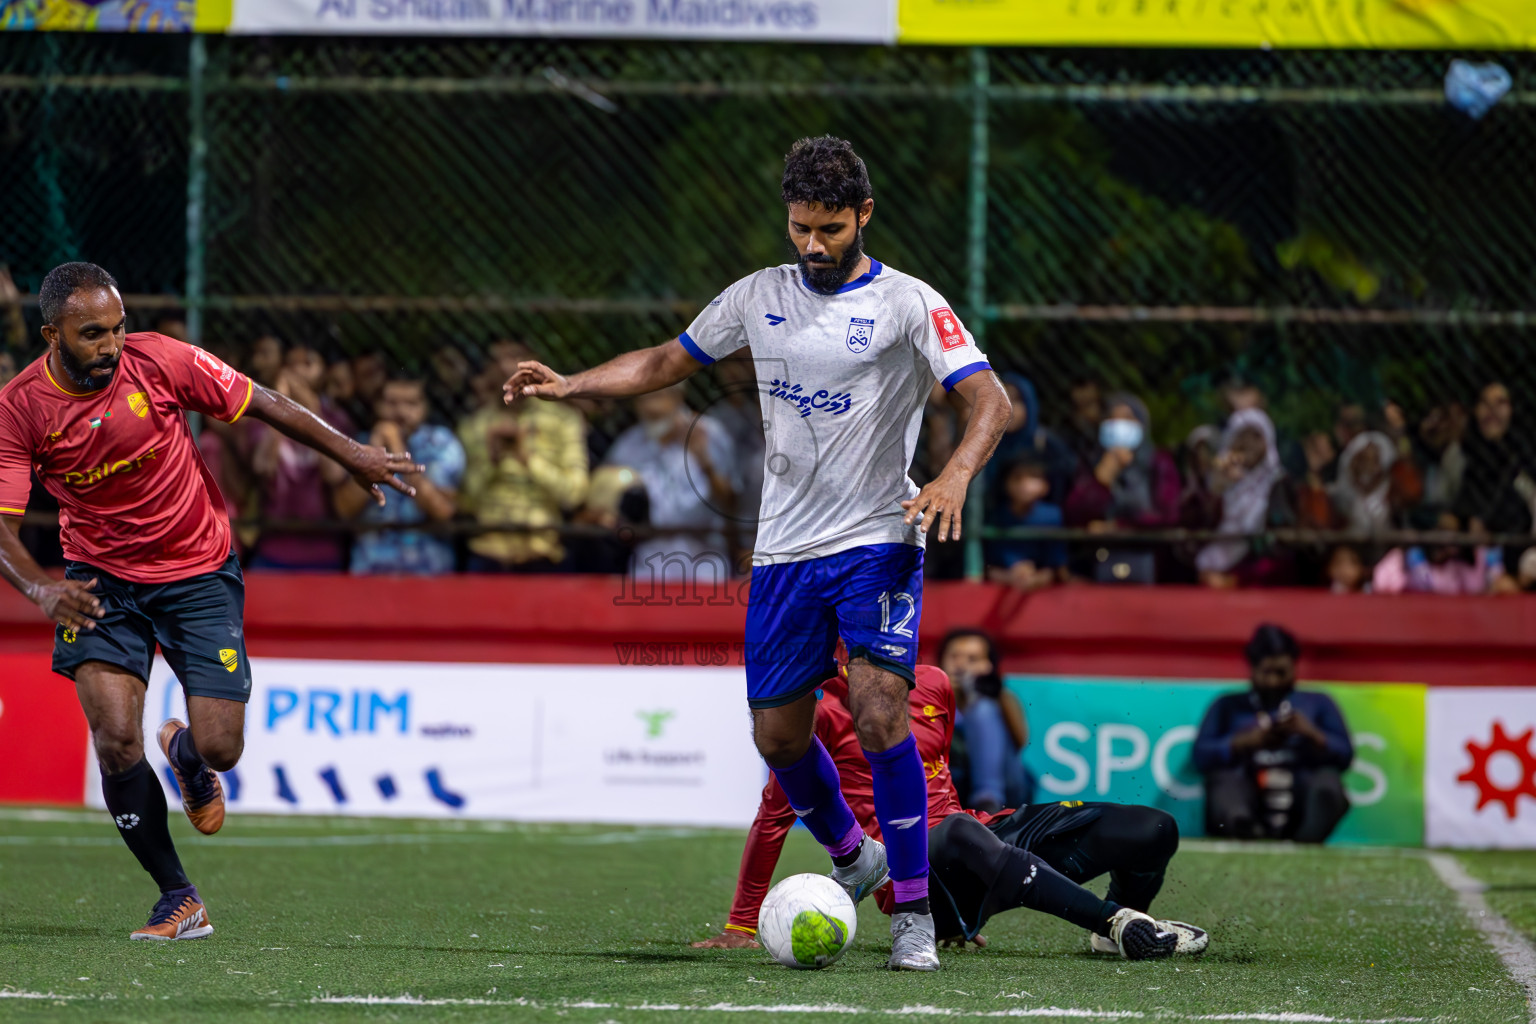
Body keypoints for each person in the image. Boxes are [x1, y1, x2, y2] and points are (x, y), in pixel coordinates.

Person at [505, 136, 1012, 971]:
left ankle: (914, 914)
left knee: (881, 711)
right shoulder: (756, 296)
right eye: (800, 227)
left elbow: (991, 401)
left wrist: (954, 476)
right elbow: (668, 360)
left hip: (879, 538)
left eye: (831, 229)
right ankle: (857, 858)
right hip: (784, 551)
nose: (813, 245)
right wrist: (572, 384)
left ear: (865, 216)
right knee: (778, 739)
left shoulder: (909, 303)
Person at [0, 263, 416, 940]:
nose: (111, 345)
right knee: (113, 738)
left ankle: (188, 758)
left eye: (118, 327)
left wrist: (351, 453)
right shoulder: (19, 408)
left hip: (196, 569)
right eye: (91, 334)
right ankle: (178, 897)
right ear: (52, 334)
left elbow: (266, 401)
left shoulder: (160, 360)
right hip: (98, 579)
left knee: (223, 747)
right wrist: (42, 587)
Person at [691, 653, 1203, 960]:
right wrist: (740, 925)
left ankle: (1112, 937)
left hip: (982, 833)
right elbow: (774, 818)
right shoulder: (818, 713)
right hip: (914, 874)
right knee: (956, 833)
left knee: (1153, 828)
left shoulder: (932, 681)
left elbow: (941, 777)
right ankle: (1117, 924)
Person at [1193, 624, 1353, 843]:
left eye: (1282, 672)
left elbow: (1346, 756)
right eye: (1266, 672)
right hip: (1246, 797)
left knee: (1327, 782)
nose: (1273, 681)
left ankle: (1307, 840)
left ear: (1295, 667)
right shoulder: (1227, 705)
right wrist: (1244, 742)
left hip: (1300, 801)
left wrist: (1313, 735)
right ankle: (1244, 829)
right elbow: (1200, 756)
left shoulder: (1318, 703)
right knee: (1223, 781)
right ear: (1252, 668)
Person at [458, 341, 589, 573]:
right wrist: (493, 461)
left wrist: (528, 460)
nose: (504, 366)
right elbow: (466, 502)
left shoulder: (563, 421)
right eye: (496, 359)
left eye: (514, 357)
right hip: (488, 551)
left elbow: (575, 494)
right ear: (488, 370)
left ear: (534, 364)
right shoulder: (473, 427)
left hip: (543, 551)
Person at [603, 383, 739, 585]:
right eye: (642, 399)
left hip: (704, 564)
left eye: (656, 397)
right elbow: (606, 499)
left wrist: (704, 461)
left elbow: (731, 502)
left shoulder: (709, 433)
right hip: (648, 565)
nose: (649, 407)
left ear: (677, 397)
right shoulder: (628, 444)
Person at [337, 378, 464, 575]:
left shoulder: (442, 443)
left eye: (411, 403)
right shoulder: (358, 444)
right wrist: (371, 455)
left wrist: (397, 447)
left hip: (428, 571)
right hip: (370, 569)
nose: (401, 412)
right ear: (377, 406)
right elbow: (344, 510)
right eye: (392, 403)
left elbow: (442, 511)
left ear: (425, 408)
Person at [246, 343, 355, 570]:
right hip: (273, 548)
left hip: (323, 549)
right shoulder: (261, 416)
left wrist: (311, 410)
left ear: (324, 371)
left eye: (308, 363)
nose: (298, 371)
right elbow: (263, 466)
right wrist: (279, 408)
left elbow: (334, 475)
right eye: (292, 364)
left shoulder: (337, 418)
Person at [1196, 408, 1294, 588]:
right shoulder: (1219, 478)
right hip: (1210, 575)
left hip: (1257, 578)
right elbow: (1199, 526)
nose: (1249, 443)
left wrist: (1237, 578)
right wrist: (1219, 486)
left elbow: (1281, 544)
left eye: (1256, 436)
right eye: (1242, 435)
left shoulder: (1278, 483)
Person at [937, 629, 1031, 812]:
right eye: (955, 657)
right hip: (952, 787)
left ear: (989, 665)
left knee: (983, 709)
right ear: (941, 661)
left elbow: (1020, 742)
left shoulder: (1001, 700)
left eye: (972, 659)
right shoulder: (927, 701)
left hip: (1007, 789)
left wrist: (974, 693)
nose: (961, 665)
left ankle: (988, 801)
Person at [1456, 382, 1534, 539]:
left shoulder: (1526, 458)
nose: (1491, 411)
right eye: (1485, 403)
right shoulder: (1467, 457)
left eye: (1500, 403)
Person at [1371, 511, 1506, 596]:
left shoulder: (1458, 566)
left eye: (1453, 535)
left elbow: (1479, 586)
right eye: (1442, 532)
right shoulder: (1406, 557)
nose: (1447, 540)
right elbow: (1382, 584)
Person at [984, 458, 1066, 592]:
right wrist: (1011, 576)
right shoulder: (996, 517)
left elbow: (1056, 567)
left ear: (1045, 485)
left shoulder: (1052, 516)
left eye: (1033, 477)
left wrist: (1036, 578)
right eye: (1017, 478)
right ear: (1006, 483)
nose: (1025, 484)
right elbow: (987, 567)